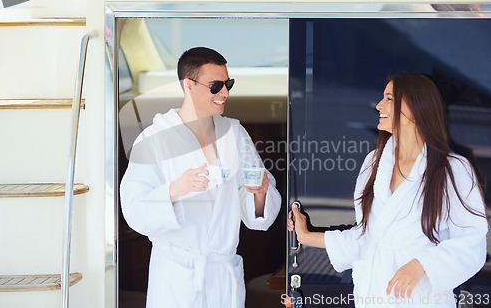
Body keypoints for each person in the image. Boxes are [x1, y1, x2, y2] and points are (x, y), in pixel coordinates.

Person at [288, 74, 489, 307]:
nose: (378, 105)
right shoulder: (374, 164)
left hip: (420, 300)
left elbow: (472, 242)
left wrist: (423, 265)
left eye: (389, 98)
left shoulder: (452, 169)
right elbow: (367, 237)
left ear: (414, 107)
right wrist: (306, 236)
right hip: (373, 296)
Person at [120, 47, 281, 308]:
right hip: (177, 279)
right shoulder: (154, 139)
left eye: (228, 84)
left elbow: (256, 212)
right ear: (189, 85)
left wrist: (261, 192)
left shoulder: (235, 133)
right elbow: (134, 207)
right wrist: (174, 190)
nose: (225, 93)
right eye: (216, 86)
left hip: (222, 277)